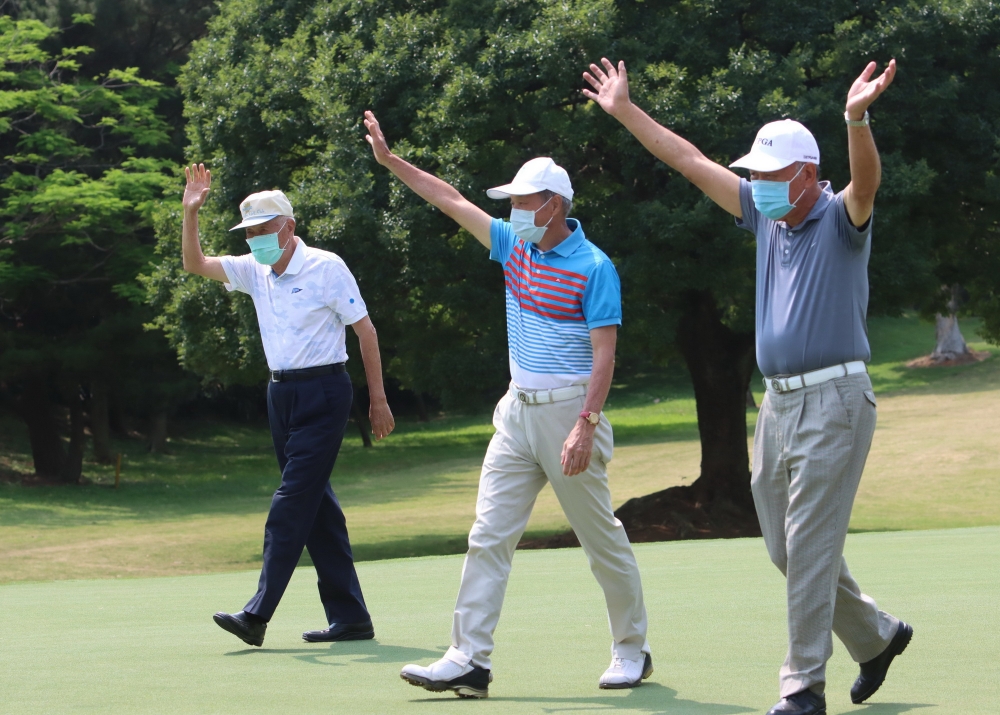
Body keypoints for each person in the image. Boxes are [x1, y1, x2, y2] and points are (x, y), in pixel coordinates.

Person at [582, 58, 912, 715]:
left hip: (836, 400)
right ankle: (876, 637)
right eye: (753, 174)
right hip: (779, 405)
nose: (755, 184)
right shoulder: (764, 217)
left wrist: (856, 119)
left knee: (811, 541)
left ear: (808, 177)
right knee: (786, 546)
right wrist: (623, 109)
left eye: (768, 175)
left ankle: (802, 685)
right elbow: (687, 158)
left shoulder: (841, 219)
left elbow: (867, 182)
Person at [363, 111, 651, 698]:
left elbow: (605, 358)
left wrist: (585, 426)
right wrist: (392, 162)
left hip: (570, 413)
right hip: (516, 414)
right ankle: (469, 659)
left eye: (524, 200)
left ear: (554, 203)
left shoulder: (595, 267)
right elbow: (451, 200)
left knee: (601, 541)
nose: (514, 209)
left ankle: (631, 649)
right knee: (488, 535)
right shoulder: (512, 246)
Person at [180, 164, 395, 648]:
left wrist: (377, 400)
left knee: (290, 502)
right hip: (281, 395)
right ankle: (351, 617)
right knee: (317, 508)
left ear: (289, 226)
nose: (256, 239)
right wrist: (190, 212)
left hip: (325, 393)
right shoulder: (255, 270)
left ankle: (257, 614)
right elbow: (196, 264)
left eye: (263, 229)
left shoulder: (326, 266)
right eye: (249, 232)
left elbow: (365, 332)